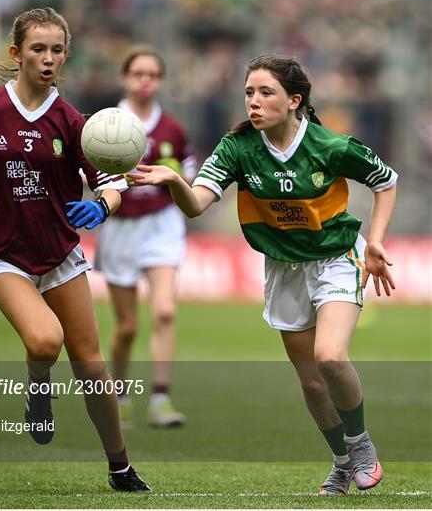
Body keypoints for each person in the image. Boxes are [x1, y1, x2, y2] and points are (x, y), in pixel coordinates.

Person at [128, 54, 397, 495]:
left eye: (265, 92)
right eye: (249, 93)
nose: (254, 101)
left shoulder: (330, 146)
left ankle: (361, 444)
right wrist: (173, 180)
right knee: (310, 380)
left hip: (336, 258)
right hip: (282, 269)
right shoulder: (236, 149)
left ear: (294, 100)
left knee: (330, 357)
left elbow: (386, 181)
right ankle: (342, 462)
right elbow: (196, 204)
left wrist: (378, 241)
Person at [0, 7, 150, 492]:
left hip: (61, 254)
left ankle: (120, 467)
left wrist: (104, 207)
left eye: (56, 50)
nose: (47, 58)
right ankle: (38, 388)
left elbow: (111, 184)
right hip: (3, 253)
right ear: (16, 53)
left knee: (91, 366)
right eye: (37, 49)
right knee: (46, 341)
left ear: (64, 56)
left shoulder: (73, 121)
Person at [95, 47, 197, 428]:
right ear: (125, 78)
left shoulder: (172, 129)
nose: (145, 80)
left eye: (153, 74)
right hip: (121, 226)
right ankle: (118, 397)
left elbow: (192, 178)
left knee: (165, 311)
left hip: (162, 224)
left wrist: (173, 177)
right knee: (126, 327)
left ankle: (161, 399)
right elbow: (85, 175)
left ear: (161, 81)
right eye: (138, 73)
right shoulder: (104, 126)